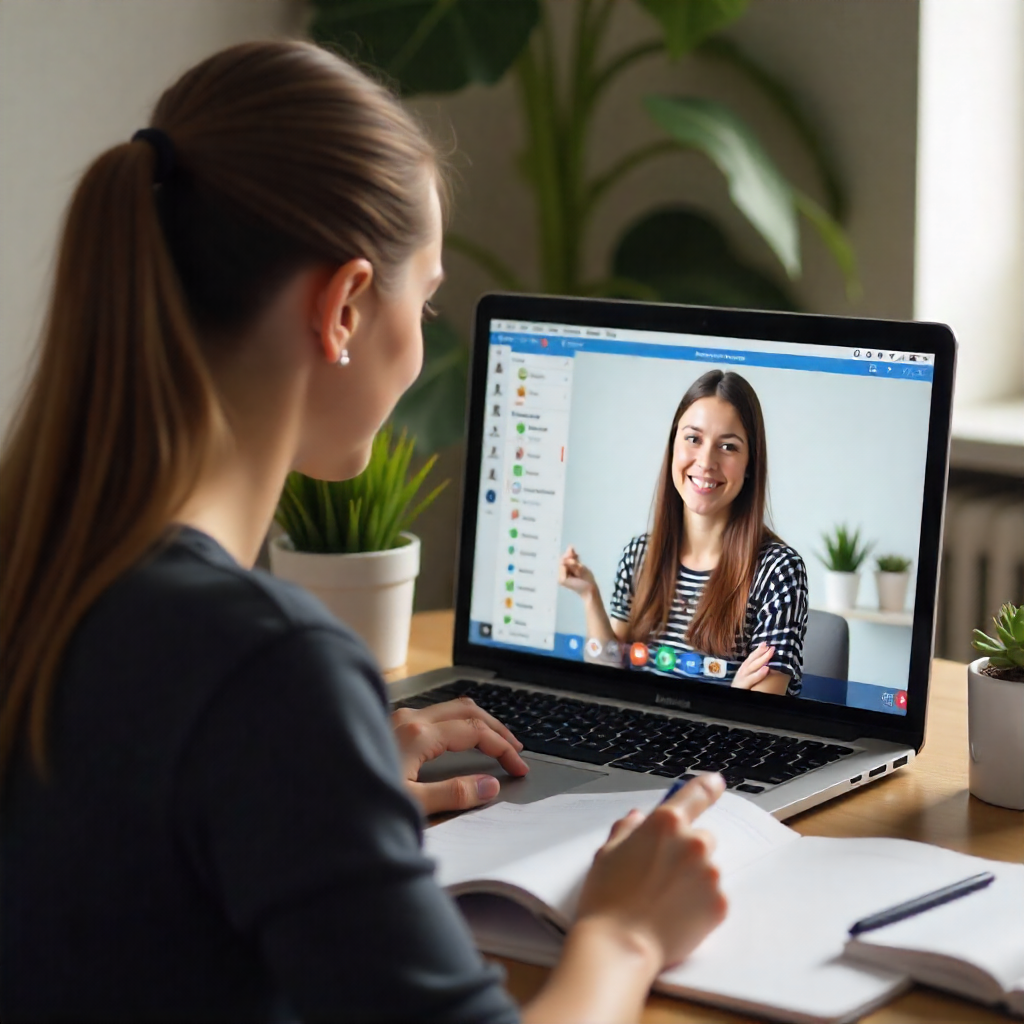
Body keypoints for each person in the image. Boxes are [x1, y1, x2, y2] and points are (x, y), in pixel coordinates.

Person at [0, 41, 727, 1024]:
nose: (422, 338)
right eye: (423, 300)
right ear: (343, 306)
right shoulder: (265, 666)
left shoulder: (43, 566)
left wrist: (314, 786)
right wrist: (625, 929)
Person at [560, 370, 808, 696]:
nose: (706, 461)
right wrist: (590, 595)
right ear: (673, 446)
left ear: (750, 463)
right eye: (693, 439)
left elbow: (762, 716)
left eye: (728, 447)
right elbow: (610, 678)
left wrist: (731, 702)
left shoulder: (778, 571)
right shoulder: (638, 556)